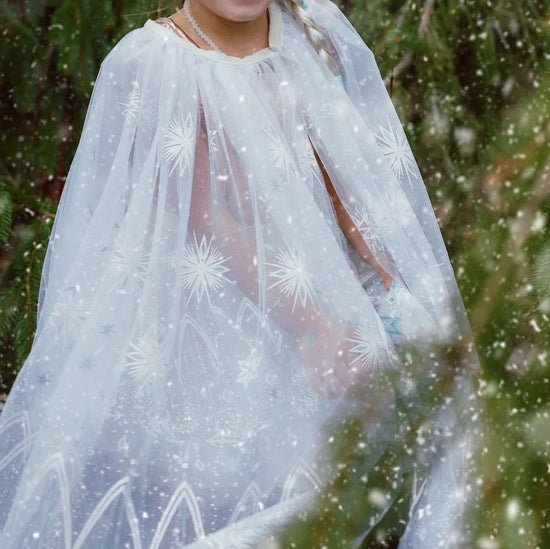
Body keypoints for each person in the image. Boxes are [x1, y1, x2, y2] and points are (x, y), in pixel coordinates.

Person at [0, 0, 484, 547]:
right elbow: (205, 217)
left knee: (434, 431)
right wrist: (311, 324)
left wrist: (391, 284)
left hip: (333, 291)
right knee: (240, 491)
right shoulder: (158, 62)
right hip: (226, 322)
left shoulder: (314, 30)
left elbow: (353, 173)